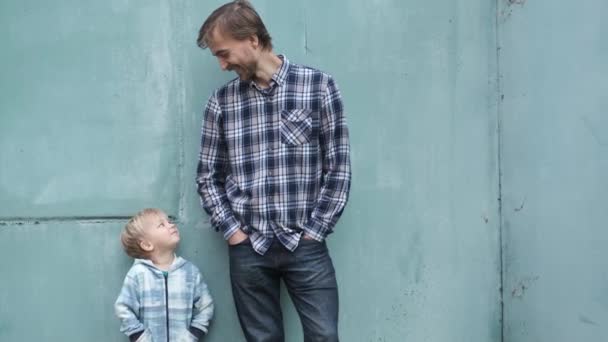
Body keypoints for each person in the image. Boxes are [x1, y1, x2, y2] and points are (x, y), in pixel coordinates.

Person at [195, 1, 351, 341]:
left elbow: (338, 168)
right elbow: (208, 177)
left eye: (224, 53)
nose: (222, 65)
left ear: (252, 40)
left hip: (306, 243)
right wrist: (235, 234)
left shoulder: (318, 87)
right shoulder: (221, 103)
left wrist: (315, 231)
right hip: (249, 247)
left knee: (324, 336)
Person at [114, 208, 214, 341]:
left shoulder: (190, 272)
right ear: (147, 245)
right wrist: (140, 337)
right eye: (162, 224)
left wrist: (192, 335)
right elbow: (123, 308)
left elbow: (206, 306)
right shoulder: (138, 274)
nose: (171, 224)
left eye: (169, 221)